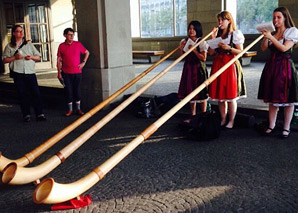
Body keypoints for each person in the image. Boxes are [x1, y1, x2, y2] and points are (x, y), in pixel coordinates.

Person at [258, 7, 298, 138]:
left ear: (285, 17)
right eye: (274, 17)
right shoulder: (273, 32)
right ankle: (272, 125)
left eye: (278, 17)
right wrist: (266, 37)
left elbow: (284, 48)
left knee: (288, 99)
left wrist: (271, 37)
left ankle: (286, 128)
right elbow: (263, 49)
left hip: (285, 67)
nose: (275, 20)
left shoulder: (292, 31)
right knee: (272, 98)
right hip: (272, 67)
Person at [208, 11, 246, 129]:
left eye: (222, 20)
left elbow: (241, 52)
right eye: (218, 20)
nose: (220, 23)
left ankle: (232, 120)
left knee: (230, 96)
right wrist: (213, 39)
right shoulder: (218, 35)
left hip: (229, 65)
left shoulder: (235, 34)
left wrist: (229, 48)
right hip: (218, 65)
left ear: (229, 20)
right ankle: (223, 118)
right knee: (220, 96)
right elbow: (210, 53)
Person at [2, 25, 46, 122]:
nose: (21, 33)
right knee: (22, 94)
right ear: (14, 33)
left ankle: (40, 114)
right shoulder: (9, 46)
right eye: (18, 31)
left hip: (30, 72)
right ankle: (26, 115)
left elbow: (38, 57)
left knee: (36, 93)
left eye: (22, 31)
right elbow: (4, 60)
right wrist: (14, 58)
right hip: (18, 73)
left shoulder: (29, 45)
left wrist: (31, 57)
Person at [178, 20, 209, 122]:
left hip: (198, 68)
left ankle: (204, 115)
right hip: (188, 68)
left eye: (193, 28)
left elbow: (204, 58)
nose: (191, 31)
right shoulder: (185, 41)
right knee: (190, 90)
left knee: (201, 91)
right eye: (189, 29)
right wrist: (181, 48)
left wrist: (194, 50)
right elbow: (182, 57)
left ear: (197, 29)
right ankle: (193, 115)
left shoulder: (202, 42)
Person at [57, 28, 90, 116]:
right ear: (65, 35)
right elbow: (59, 59)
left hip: (77, 72)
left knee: (77, 90)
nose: (72, 36)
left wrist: (83, 62)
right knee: (68, 91)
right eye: (69, 34)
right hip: (66, 72)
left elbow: (87, 52)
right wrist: (59, 73)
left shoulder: (78, 44)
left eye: (73, 34)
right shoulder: (61, 46)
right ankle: (70, 110)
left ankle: (78, 109)